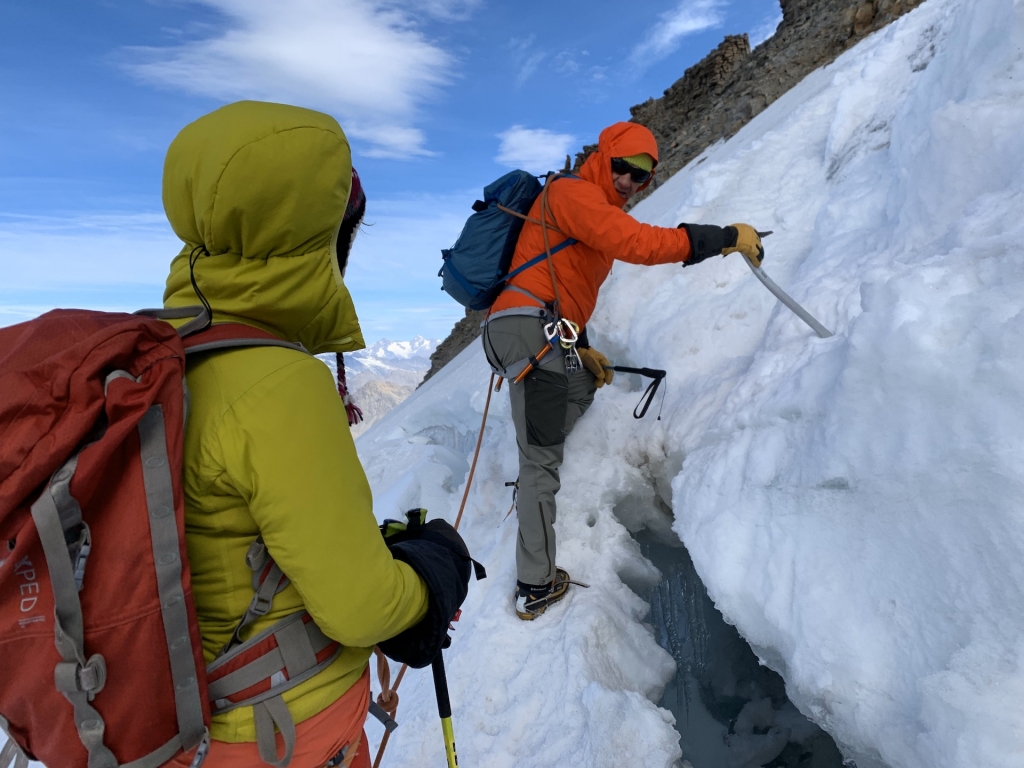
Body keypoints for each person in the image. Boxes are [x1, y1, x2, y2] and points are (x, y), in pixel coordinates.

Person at [161, 101, 472, 768]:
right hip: (278, 729)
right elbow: (361, 609)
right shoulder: (274, 381)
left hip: (181, 725)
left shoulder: (165, 356)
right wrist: (432, 573)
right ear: (318, 235)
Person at [483, 121, 764, 621]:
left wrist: (583, 347)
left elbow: (566, 286)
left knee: (584, 384)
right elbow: (638, 243)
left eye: (644, 177)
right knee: (540, 465)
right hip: (528, 328)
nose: (632, 182)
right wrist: (722, 238)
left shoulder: (583, 209)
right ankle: (535, 583)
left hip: (542, 329)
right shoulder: (573, 193)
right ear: (604, 156)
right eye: (625, 167)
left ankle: (538, 448)